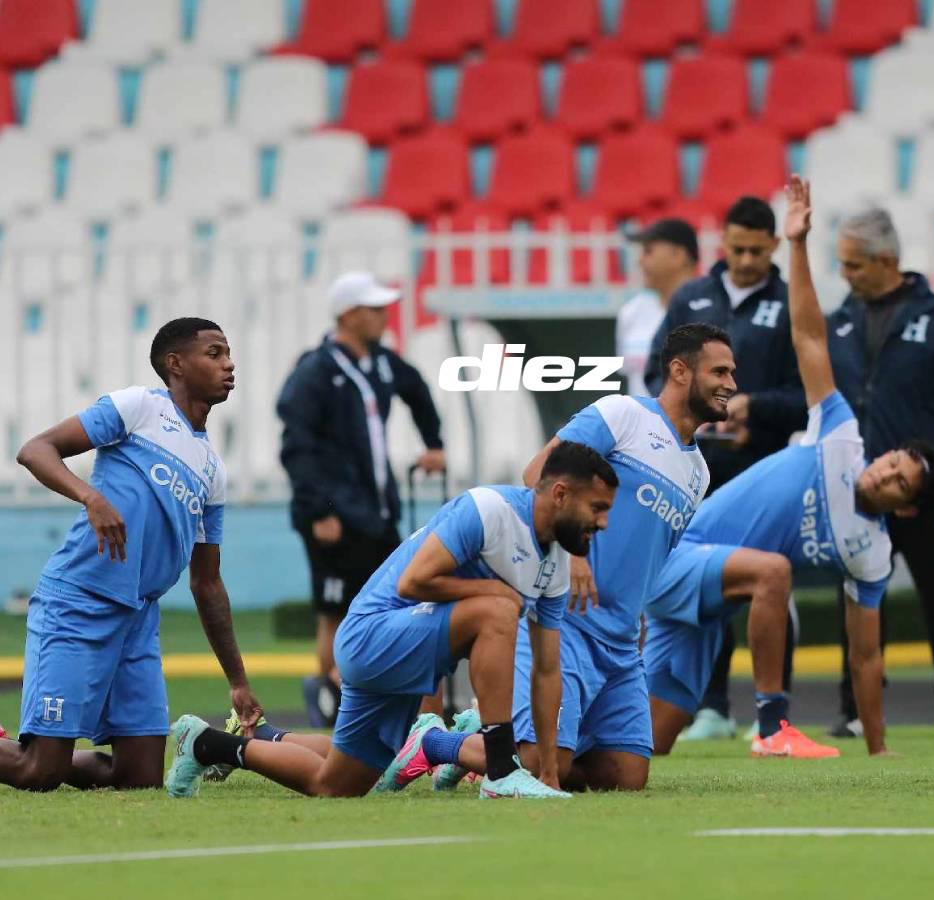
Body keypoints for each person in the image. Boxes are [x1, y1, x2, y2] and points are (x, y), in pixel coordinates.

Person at [643, 178, 934, 758]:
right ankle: (773, 726)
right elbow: (809, 335)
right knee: (774, 573)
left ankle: (479, 751)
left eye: (899, 480)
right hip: (679, 555)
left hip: (707, 605)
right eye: (891, 461)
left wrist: (878, 750)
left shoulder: (871, 552)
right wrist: (800, 245)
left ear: (904, 507)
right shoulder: (840, 437)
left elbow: (865, 654)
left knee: (635, 755)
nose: (884, 472)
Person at [165, 441, 617, 799]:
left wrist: (552, 776)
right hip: (373, 635)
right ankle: (500, 770)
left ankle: (208, 744)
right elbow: (414, 582)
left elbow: (546, 670)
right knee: (498, 608)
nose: (604, 524)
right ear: (560, 494)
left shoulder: (556, 564)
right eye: (598, 508)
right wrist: (494, 591)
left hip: (408, 655)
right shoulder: (489, 510)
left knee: (335, 784)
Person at [0, 318, 262, 792]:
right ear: (175, 364)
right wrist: (90, 497)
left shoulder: (212, 471)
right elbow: (35, 450)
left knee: (140, 781)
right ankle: (45, 756)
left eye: (229, 354)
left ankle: (55, 757)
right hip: (78, 602)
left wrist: (238, 682)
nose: (230, 364)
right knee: (36, 771)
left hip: (138, 620)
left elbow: (207, 583)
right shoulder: (140, 406)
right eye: (215, 353)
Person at [487, 323, 735, 792]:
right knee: (544, 763)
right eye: (719, 371)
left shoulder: (698, 473)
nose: (730, 384)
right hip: (566, 624)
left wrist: (637, 615)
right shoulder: (622, 415)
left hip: (620, 644)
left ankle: (513, 741)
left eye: (732, 372)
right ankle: (448, 743)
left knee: (626, 777)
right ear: (680, 371)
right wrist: (571, 551)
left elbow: (648, 556)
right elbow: (537, 473)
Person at [825, 208, 934, 739]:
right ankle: (855, 710)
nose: (846, 275)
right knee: (855, 601)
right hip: (865, 491)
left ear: (887, 260)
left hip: (930, 492)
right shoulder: (841, 322)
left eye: (854, 265)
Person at [643, 196, 809, 740]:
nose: (743, 260)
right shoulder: (691, 297)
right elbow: (654, 377)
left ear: (774, 246)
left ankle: (773, 709)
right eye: (735, 248)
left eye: (755, 251)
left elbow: (808, 397)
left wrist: (752, 406)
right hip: (692, 470)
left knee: (767, 585)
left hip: (760, 473)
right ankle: (711, 706)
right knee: (701, 584)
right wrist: (694, 412)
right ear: (722, 240)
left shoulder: (789, 306)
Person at [277, 270, 445, 726]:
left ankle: (369, 692)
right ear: (349, 315)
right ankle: (330, 696)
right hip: (334, 514)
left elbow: (418, 390)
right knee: (334, 609)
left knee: (387, 600)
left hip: (377, 511)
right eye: (374, 309)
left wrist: (434, 442)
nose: (384, 316)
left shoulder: (383, 363)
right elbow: (297, 446)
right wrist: (317, 511)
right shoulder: (315, 370)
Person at [616, 218, 699, 397]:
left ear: (678, 255)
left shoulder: (712, 309)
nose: (640, 261)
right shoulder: (631, 312)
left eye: (648, 252)